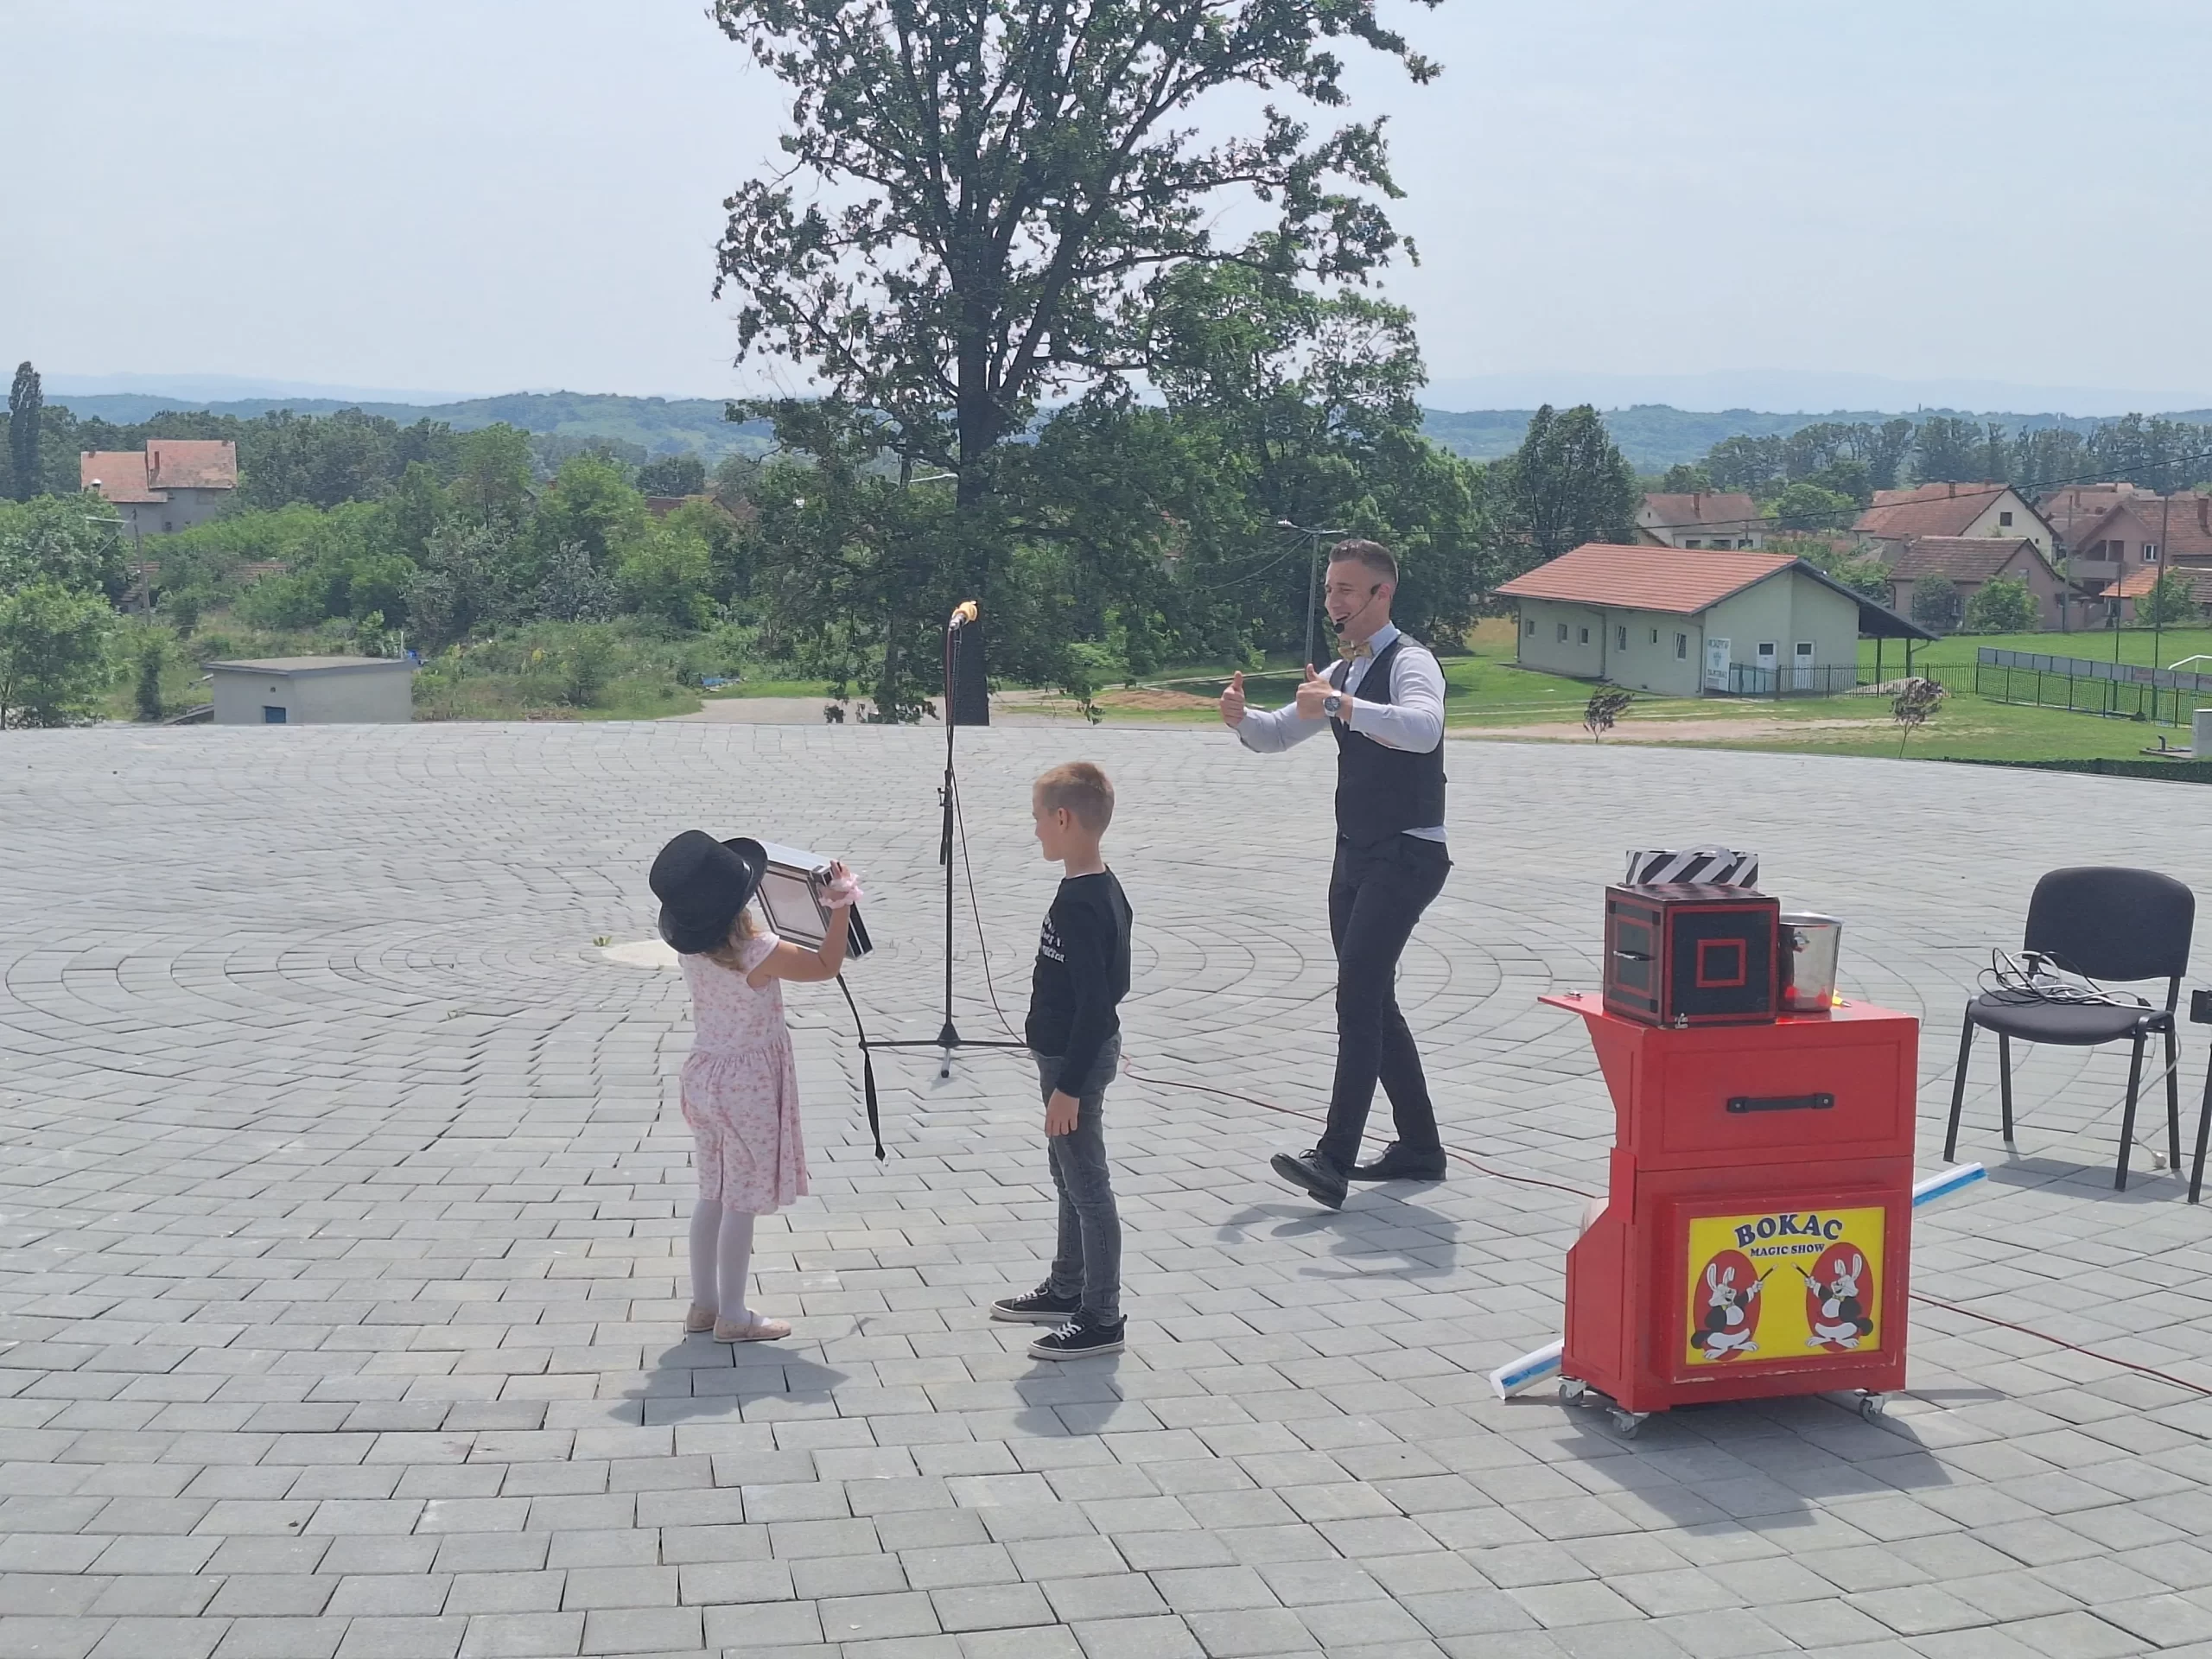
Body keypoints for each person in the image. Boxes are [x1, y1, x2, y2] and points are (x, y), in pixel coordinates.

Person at [1218, 538, 1451, 1210]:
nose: (1333, 603)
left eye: (1346, 590)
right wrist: (1241, 719)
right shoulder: (1345, 672)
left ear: (1383, 594)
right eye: (1329, 590)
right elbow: (1277, 733)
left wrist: (1340, 705)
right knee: (1373, 1000)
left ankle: (1333, 1159)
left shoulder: (1411, 662)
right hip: (1355, 856)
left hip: (1407, 855)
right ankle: (1420, 1148)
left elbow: (1423, 728)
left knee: (1357, 999)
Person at [649, 830, 859, 1342]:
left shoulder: (694, 952)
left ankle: (704, 1305)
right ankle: (734, 1315)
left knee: (712, 1193)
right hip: (749, 1084)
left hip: (705, 1073)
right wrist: (840, 907)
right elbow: (827, 965)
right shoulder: (757, 951)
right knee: (741, 1200)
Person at [991, 762, 1135, 1359]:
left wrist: (1069, 1087)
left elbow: (1099, 1004)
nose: (1034, 831)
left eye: (1037, 820)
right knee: (1067, 1177)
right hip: (1068, 1058)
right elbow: (1116, 982)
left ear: (1062, 818)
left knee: (1087, 1186)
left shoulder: (1082, 902)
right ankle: (1067, 1286)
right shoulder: (1099, 886)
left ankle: (1101, 1316)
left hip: (1073, 1063)